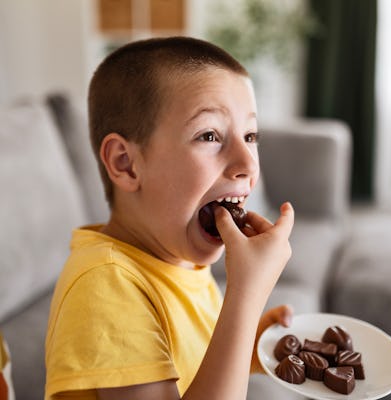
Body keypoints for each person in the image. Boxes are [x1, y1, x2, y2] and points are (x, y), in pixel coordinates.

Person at [45, 36, 294, 400]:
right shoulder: (105, 285)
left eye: (250, 135)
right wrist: (246, 296)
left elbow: (193, 359)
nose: (248, 164)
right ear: (125, 163)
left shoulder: (178, 256)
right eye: (209, 135)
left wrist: (254, 342)